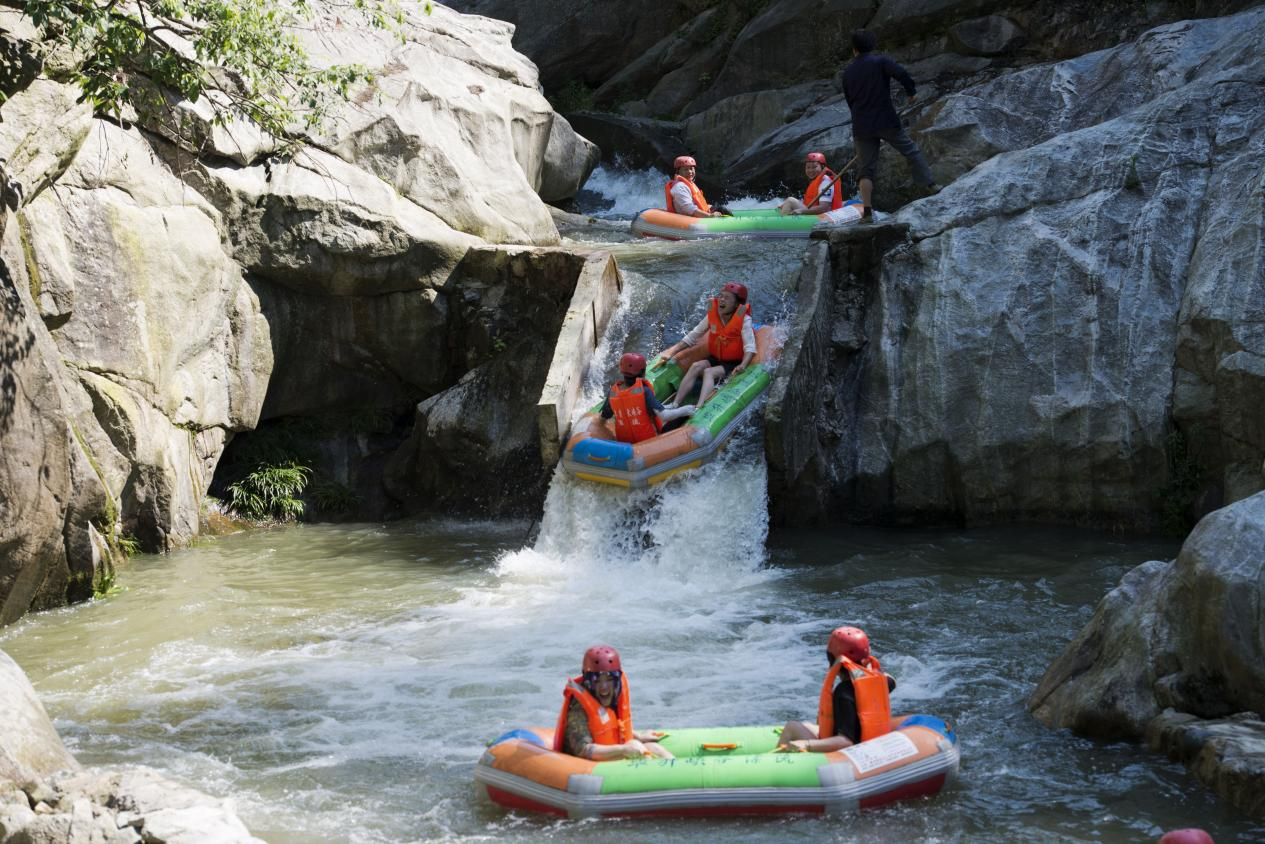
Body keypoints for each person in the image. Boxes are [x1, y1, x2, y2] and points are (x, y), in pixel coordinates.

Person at [840, 29, 938, 222]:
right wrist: (911, 92)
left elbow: (850, 101)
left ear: (854, 50)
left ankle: (867, 212)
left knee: (866, 169)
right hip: (886, 120)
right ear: (872, 45)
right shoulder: (880, 61)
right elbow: (901, 73)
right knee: (911, 150)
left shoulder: (847, 73)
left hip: (862, 125)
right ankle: (930, 185)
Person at [777, 626, 896, 752]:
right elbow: (891, 679)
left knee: (792, 727)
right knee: (808, 725)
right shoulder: (883, 681)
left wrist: (807, 744)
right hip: (869, 743)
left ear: (833, 660)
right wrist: (868, 670)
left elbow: (845, 742)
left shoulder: (843, 693)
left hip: (847, 752)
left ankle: (776, 764)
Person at [554, 645, 674, 761]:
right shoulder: (579, 707)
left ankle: (677, 769)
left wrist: (638, 736)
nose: (604, 687)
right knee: (636, 747)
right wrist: (622, 749)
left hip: (609, 748)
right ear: (588, 682)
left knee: (652, 747)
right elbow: (583, 750)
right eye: (597, 681)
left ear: (616, 680)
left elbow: (611, 727)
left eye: (610, 680)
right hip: (586, 763)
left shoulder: (614, 695)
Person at [655, 282, 755, 409]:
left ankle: (699, 407)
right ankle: (675, 404)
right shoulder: (712, 314)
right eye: (721, 296)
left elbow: (750, 348)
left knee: (709, 372)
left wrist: (743, 365)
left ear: (736, 304)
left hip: (733, 362)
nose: (721, 300)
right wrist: (671, 352)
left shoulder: (744, 320)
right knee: (696, 366)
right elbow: (694, 335)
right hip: (716, 358)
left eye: (727, 298)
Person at [599, 353, 694, 443]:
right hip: (648, 442)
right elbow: (665, 416)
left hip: (625, 443)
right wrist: (686, 410)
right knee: (683, 415)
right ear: (642, 372)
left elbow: (603, 417)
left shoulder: (612, 392)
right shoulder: (644, 391)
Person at [779, 152, 844, 216]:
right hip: (812, 211)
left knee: (790, 200)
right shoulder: (816, 180)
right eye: (808, 167)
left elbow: (824, 208)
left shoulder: (825, 182)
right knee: (788, 201)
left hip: (823, 216)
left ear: (822, 167)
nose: (810, 170)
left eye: (814, 167)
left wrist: (801, 211)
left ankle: (781, 223)